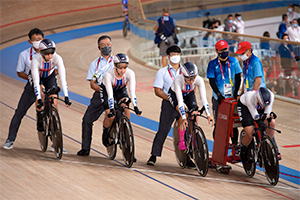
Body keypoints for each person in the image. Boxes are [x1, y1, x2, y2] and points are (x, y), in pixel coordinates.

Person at [235, 41, 281, 160]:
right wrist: (241, 93)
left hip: (258, 96)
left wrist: (254, 95)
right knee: (252, 128)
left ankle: (272, 148)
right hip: (250, 99)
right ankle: (245, 149)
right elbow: (245, 80)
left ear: (249, 51)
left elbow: (258, 81)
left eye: (242, 53)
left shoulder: (255, 62)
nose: (240, 55)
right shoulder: (246, 62)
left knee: (269, 122)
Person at [147, 45, 191, 166]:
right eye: (173, 55)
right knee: (163, 130)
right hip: (168, 104)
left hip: (183, 103)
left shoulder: (185, 71)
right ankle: (153, 155)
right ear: (168, 57)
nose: (175, 57)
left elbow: (192, 87)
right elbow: (158, 91)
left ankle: (188, 159)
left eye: (177, 55)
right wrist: (172, 100)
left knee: (187, 130)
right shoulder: (162, 72)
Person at [2, 28, 44, 150]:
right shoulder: (24, 55)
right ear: (30, 41)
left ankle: (55, 143)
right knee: (19, 112)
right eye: (35, 40)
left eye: (40, 39)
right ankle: (10, 139)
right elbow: (19, 73)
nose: (38, 42)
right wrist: (31, 78)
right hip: (31, 86)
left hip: (46, 85)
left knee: (52, 109)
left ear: (44, 39)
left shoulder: (49, 51)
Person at [31, 39, 71, 152]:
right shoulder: (35, 60)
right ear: (41, 53)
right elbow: (35, 81)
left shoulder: (57, 58)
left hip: (49, 77)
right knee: (41, 92)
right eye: (47, 53)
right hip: (38, 78)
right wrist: (39, 99)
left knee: (54, 100)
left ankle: (55, 134)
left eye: (52, 52)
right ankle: (40, 116)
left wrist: (66, 96)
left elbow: (62, 78)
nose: (50, 55)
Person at [77, 35, 114, 156]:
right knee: (87, 120)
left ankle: (128, 149)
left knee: (124, 114)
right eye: (103, 45)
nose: (106, 47)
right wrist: (103, 91)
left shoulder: (117, 61)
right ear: (99, 48)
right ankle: (85, 148)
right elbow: (92, 84)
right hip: (100, 94)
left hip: (115, 93)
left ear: (111, 46)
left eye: (108, 44)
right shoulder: (95, 64)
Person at [168, 62, 214, 151]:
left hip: (189, 93)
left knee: (194, 114)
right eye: (188, 79)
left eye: (193, 78)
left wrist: (208, 115)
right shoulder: (178, 80)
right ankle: (181, 140)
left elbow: (203, 99)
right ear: (183, 75)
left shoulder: (199, 80)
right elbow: (180, 101)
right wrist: (184, 118)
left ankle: (192, 137)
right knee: (183, 112)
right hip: (175, 94)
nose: (192, 81)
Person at [101, 53, 142, 148]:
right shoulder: (108, 74)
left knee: (126, 108)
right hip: (108, 90)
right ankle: (105, 132)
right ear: (115, 66)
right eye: (120, 68)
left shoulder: (130, 73)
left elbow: (132, 91)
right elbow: (110, 94)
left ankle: (124, 129)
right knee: (110, 116)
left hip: (120, 89)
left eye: (125, 67)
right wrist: (111, 109)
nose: (123, 70)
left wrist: (136, 107)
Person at [207, 40, 242, 146]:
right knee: (219, 123)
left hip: (231, 97)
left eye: (226, 49)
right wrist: (218, 94)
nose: (224, 51)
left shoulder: (234, 61)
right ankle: (219, 145)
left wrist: (236, 92)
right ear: (217, 51)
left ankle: (235, 144)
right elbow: (211, 81)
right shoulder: (212, 64)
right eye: (222, 50)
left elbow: (238, 77)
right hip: (219, 99)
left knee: (234, 124)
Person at [237, 87, 277, 162]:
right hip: (245, 107)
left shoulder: (271, 96)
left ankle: (267, 143)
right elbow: (255, 116)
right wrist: (261, 118)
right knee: (250, 133)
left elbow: (267, 113)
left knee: (272, 122)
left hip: (258, 106)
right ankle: (243, 150)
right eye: (262, 105)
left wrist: (269, 117)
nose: (263, 107)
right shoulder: (250, 98)